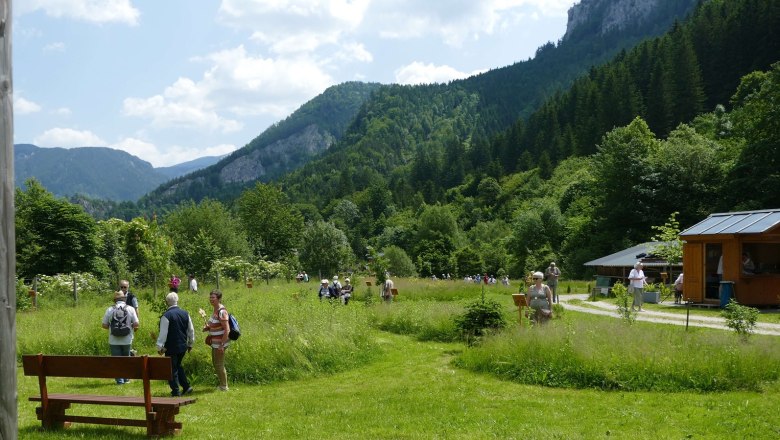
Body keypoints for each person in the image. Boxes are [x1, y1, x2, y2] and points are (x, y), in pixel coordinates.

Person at [156, 292, 195, 396]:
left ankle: (176, 391)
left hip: (171, 347)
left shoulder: (166, 316)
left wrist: (159, 347)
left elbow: (163, 334)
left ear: (166, 302)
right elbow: (190, 330)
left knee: (172, 369)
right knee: (178, 366)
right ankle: (186, 387)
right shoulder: (185, 313)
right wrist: (190, 343)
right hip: (183, 346)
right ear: (177, 300)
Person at [101, 290, 139, 384]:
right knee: (126, 359)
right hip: (127, 339)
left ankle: (119, 380)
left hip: (114, 339)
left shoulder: (110, 309)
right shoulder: (130, 308)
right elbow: (136, 323)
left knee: (116, 360)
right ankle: (126, 379)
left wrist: (112, 327)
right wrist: (129, 326)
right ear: (124, 299)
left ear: (115, 300)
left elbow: (104, 325)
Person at [202, 290, 231, 391]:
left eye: (213, 298)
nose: (211, 299)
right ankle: (222, 384)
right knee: (216, 364)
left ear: (219, 299)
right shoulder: (215, 310)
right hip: (215, 343)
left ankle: (224, 386)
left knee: (219, 364)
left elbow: (227, 329)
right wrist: (208, 327)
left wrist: (222, 345)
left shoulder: (222, 311)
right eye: (210, 298)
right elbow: (215, 325)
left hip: (220, 343)